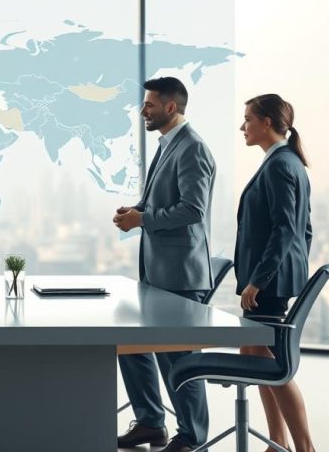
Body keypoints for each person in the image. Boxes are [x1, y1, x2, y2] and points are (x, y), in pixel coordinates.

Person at [112, 76, 216, 452]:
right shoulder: (168, 145)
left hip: (182, 275)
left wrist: (144, 219)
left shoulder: (192, 149)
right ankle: (151, 424)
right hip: (159, 272)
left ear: (170, 107)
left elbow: (192, 209)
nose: (142, 110)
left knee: (180, 360)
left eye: (149, 105)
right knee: (129, 343)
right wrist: (138, 211)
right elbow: (164, 202)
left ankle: (192, 437)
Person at [235, 94, 315, 452]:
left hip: (268, 284)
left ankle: (304, 447)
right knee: (252, 356)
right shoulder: (288, 161)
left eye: (248, 119)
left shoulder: (280, 165)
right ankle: (276, 441)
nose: (243, 126)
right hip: (275, 278)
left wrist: (261, 278)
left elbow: (285, 229)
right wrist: (294, 263)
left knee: (272, 366)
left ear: (267, 122)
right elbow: (304, 230)